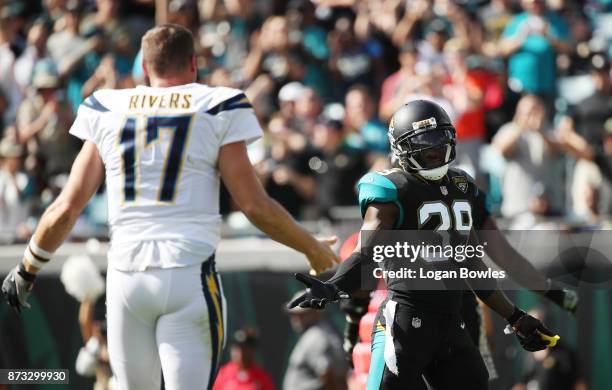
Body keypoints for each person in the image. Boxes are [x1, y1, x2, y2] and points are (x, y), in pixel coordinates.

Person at [2, 24, 339, 390]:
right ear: (194, 64)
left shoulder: (108, 106)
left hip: (126, 277)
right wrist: (313, 249)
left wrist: (27, 268)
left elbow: (67, 207)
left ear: (144, 68)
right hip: (188, 273)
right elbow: (253, 204)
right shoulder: (218, 104)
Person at [289, 100, 574, 389]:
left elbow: (472, 265)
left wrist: (515, 316)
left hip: (450, 325)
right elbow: (367, 254)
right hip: (403, 326)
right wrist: (335, 286)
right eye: (424, 144)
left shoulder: (463, 186)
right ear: (401, 149)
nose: (435, 150)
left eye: (439, 141)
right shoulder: (392, 188)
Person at [284, 293, 348, 390]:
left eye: (302, 314)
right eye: (294, 314)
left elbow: (326, 371)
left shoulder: (316, 335)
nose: (296, 319)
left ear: (316, 311)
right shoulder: (320, 331)